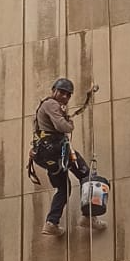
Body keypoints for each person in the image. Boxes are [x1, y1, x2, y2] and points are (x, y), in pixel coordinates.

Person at [28, 78, 90, 235]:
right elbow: (62, 126)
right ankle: (89, 215)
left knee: (63, 187)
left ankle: (51, 223)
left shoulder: (46, 107)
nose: (65, 97)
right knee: (86, 175)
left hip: (47, 156)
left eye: (68, 95)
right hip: (55, 150)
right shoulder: (51, 104)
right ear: (53, 90)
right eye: (62, 92)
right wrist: (69, 125)